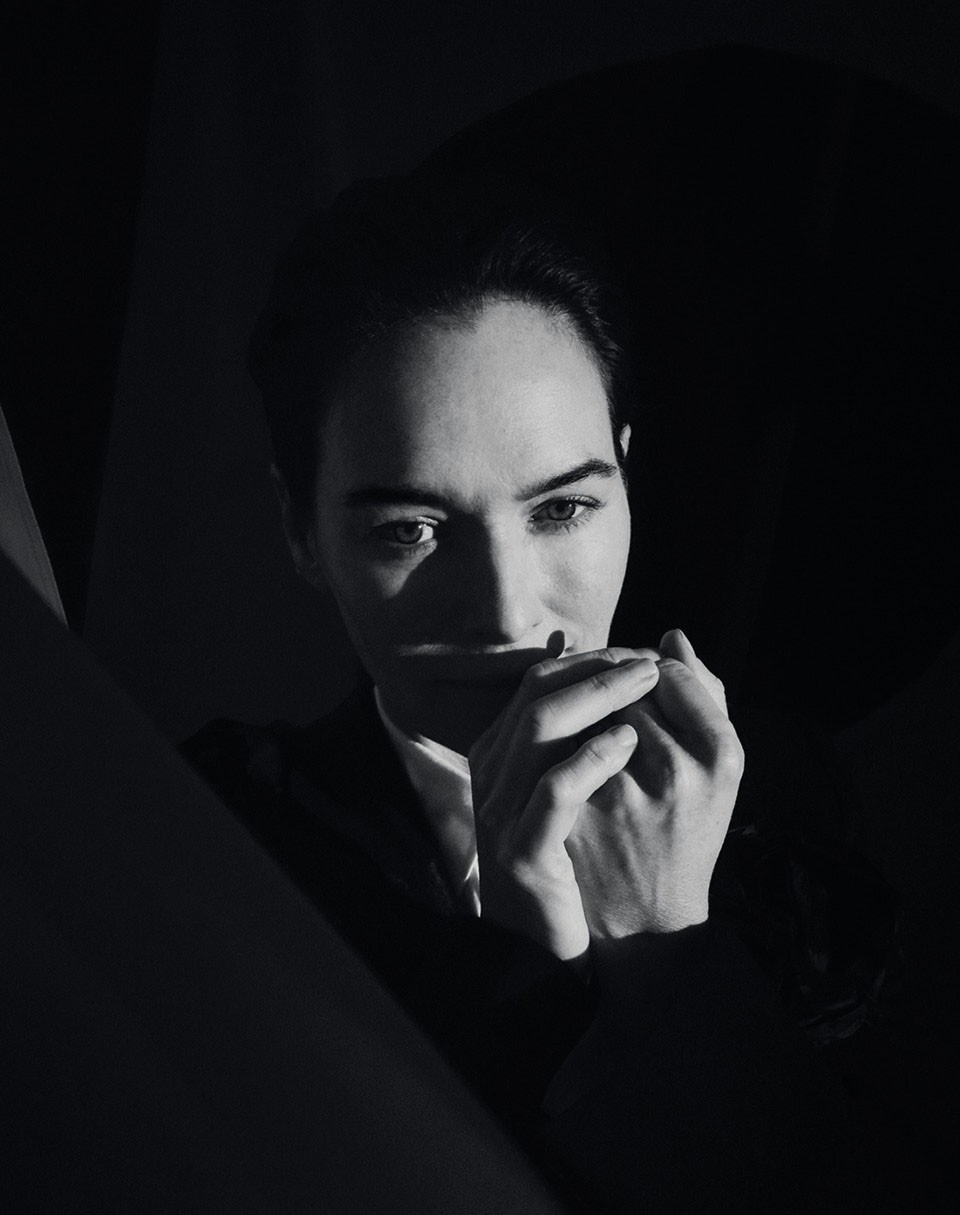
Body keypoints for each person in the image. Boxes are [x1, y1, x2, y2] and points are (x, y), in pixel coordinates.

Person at [183, 171, 894, 1210]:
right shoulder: (215, 844)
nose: (508, 607)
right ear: (302, 530)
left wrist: (664, 948)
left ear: (626, 478)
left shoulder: (798, 808)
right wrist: (527, 978)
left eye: (561, 510)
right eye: (410, 529)